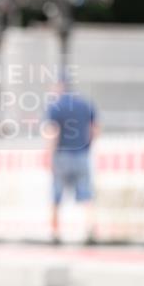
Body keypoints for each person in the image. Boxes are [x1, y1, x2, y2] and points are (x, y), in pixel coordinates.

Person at [42, 75, 99, 244]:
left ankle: (55, 233)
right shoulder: (85, 104)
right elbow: (95, 129)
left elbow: (53, 133)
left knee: (56, 196)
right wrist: (87, 146)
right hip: (81, 155)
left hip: (61, 156)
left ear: (59, 86)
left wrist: (49, 156)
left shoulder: (55, 107)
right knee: (86, 195)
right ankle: (90, 231)